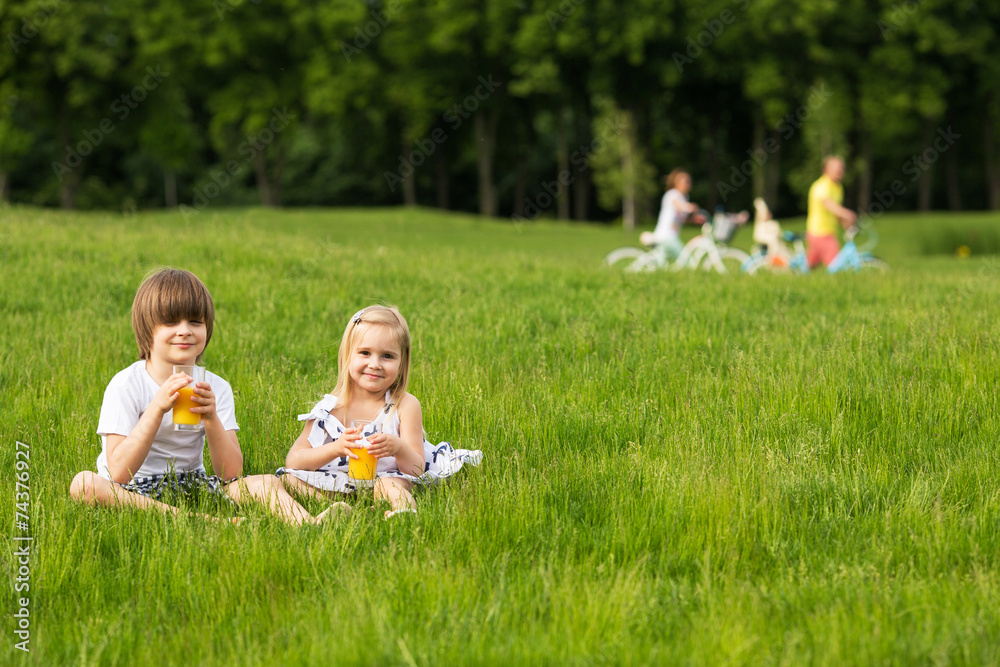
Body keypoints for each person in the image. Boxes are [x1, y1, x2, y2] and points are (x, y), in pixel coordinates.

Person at [69, 268, 344, 525]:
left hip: (191, 483)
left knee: (265, 482)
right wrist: (156, 409)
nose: (185, 330)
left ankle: (309, 524)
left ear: (207, 328)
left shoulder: (216, 387)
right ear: (146, 329)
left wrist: (211, 418)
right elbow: (118, 472)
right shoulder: (127, 384)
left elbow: (231, 473)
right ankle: (204, 522)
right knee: (84, 484)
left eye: (195, 321)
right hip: (132, 489)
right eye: (170, 322)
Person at [278, 305, 482, 519]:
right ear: (347, 355)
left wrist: (398, 447)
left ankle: (403, 512)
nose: (375, 364)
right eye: (365, 353)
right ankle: (335, 512)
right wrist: (336, 448)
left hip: (388, 478)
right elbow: (294, 461)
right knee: (285, 480)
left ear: (402, 362)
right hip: (340, 482)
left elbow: (416, 469)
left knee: (387, 484)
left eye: (387, 356)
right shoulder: (329, 409)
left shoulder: (404, 404)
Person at [806, 156, 858, 268]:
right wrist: (847, 214)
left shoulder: (838, 187)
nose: (839, 170)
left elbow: (836, 211)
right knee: (835, 265)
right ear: (825, 169)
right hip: (820, 232)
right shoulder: (822, 185)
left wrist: (845, 224)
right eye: (835, 167)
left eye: (841, 167)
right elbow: (827, 204)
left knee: (810, 267)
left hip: (828, 232)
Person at [645, 169, 704, 256]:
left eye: (689, 182)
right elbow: (678, 206)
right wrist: (692, 207)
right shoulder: (672, 194)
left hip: (671, 237)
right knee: (685, 258)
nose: (688, 184)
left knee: (660, 261)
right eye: (685, 182)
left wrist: (693, 220)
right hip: (666, 236)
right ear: (677, 183)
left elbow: (681, 219)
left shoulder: (685, 197)